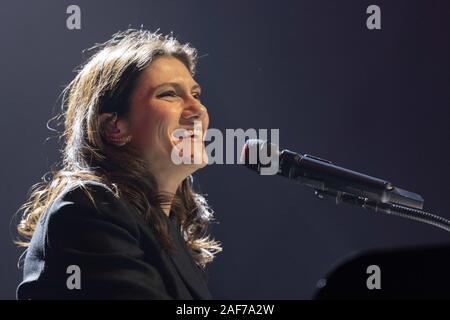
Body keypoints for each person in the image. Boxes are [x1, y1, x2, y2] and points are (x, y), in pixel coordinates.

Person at [15, 29, 222, 299]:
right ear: (115, 127)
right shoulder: (88, 210)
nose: (198, 110)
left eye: (196, 94)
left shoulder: (165, 231)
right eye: (170, 94)